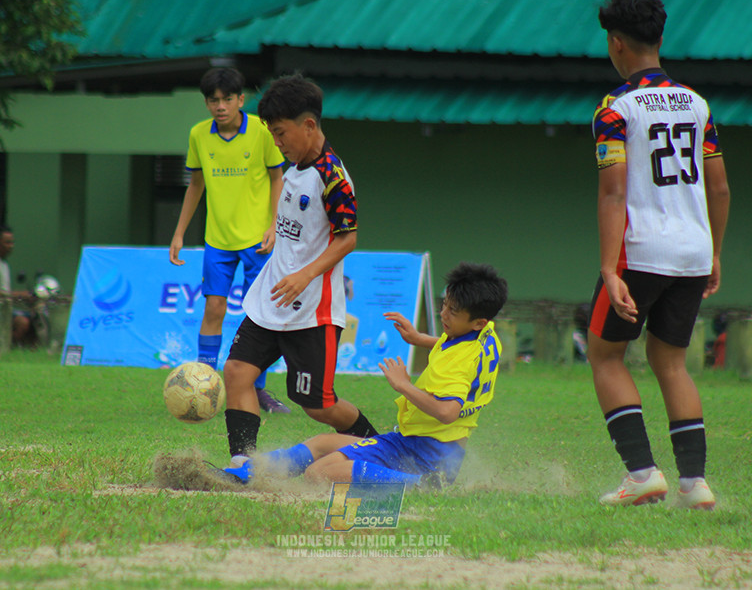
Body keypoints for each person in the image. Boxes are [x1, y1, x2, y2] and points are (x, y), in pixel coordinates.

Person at [588, 0, 730, 510]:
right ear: (661, 39)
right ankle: (695, 484)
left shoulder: (616, 108)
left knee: (605, 353)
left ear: (616, 43)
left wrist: (608, 267)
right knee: (670, 361)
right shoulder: (697, 103)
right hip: (693, 251)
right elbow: (718, 188)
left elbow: (614, 191)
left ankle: (642, 473)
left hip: (642, 250)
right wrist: (713, 251)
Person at [221, 262, 508, 488]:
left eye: (453, 311)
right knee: (323, 442)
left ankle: (421, 485)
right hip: (425, 446)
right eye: (444, 304)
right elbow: (456, 350)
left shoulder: (457, 362)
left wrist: (403, 385)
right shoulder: (486, 336)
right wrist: (420, 338)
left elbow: (447, 412)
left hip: (427, 456)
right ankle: (246, 472)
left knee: (318, 474)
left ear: (478, 321)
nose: (444, 313)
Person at [221, 73, 378, 466]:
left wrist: (305, 275)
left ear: (309, 125)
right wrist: (275, 228)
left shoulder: (334, 178)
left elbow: (348, 239)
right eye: (272, 134)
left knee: (317, 405)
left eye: (280, 133)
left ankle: (382, 449)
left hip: (312, 310)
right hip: (272, 297)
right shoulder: (293, 168)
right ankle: (245, 466)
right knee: (238, 371)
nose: (277, 142)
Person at [169, 67, 290, 413]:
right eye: (213, 100)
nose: (220, 106)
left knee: (259, 317)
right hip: (217, 239)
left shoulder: (262, 132)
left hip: (258, 240)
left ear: (241, 100)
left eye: (227, 99)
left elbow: (277, 178)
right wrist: (178, 233)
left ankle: (258, 391)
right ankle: (201, 385)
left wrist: (274, 226)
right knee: (214, 307)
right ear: (206, 103)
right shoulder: (198, 136)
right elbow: (195, 185)